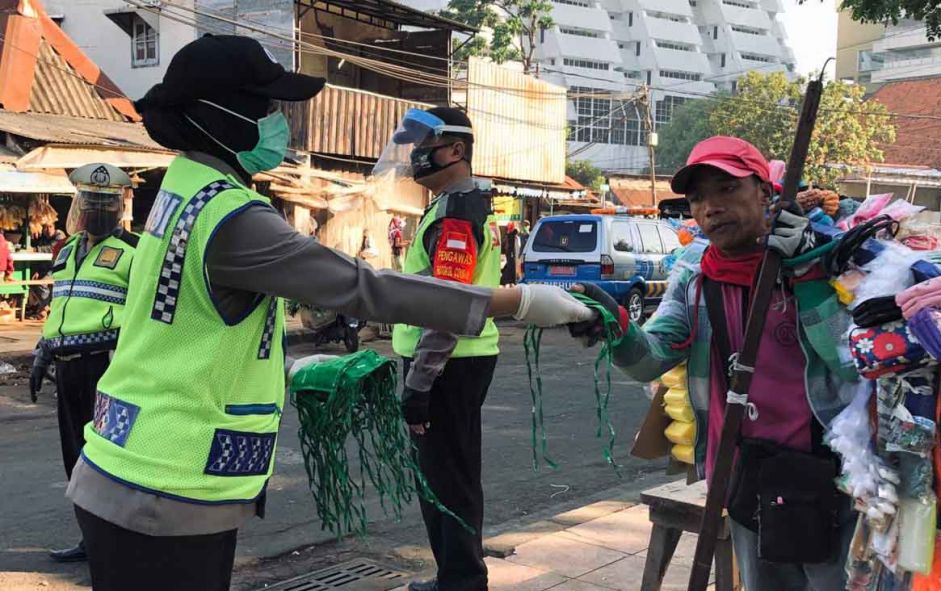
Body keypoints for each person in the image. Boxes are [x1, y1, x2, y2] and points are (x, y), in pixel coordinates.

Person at [66, 35, 592, 591]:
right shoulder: (229, 215)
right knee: (452, 482)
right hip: (166, 486)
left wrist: (274, 371)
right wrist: (523, 300)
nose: (278, 123)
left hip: (130, 464)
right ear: (223, 116)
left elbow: (196, 324)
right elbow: (364, 288)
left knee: (451, 481)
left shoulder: (181, 187)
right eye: (267, 109)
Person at [571, 136, 859, 591]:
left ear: (765, 193)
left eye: (726, 189)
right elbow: (653, 359)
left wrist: (806, 274)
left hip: (830, 473)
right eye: (698, 198)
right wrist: (617, 329)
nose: (710, 207)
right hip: (745, 473)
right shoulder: (696, 272)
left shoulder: (823, 257)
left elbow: (851, 363)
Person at [386, 106, 500, 591]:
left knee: (446, 477)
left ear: (456, 150)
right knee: (447, 473)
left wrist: (418, 384)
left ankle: (461, 581)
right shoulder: (455, 204)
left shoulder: (457, 210)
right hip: (454, 361)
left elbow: (449, 307)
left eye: (425, 146)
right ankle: (456, 575)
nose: (416, 157)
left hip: (447, 364)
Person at [28, 163, 138, 563]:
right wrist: (42, 352)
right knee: (75, 458)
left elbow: (144, 317)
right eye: (88, 201)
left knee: (107, 460)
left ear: (117, 209)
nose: (94, 210)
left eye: (103, 203)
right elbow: (61, 308)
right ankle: (90, 540)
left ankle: (114, 545)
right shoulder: (69, 251)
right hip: (67, 368)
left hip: (107, 367)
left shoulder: (133, 254)